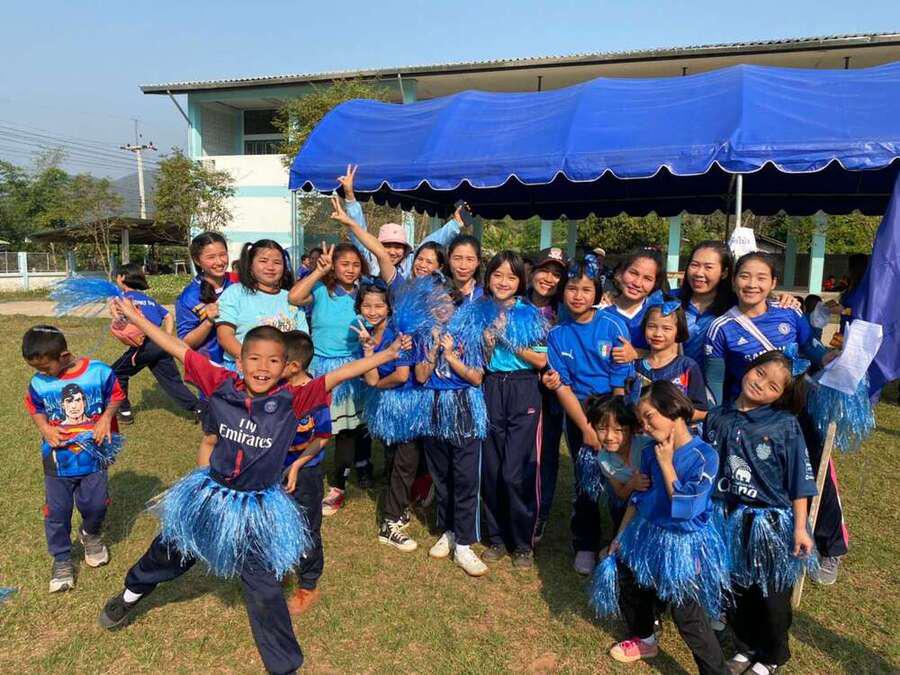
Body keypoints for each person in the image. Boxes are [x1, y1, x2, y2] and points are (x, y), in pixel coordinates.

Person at [98, 297, 408, 674]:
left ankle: (284, 665)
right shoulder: (220, 383)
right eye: (255, 359)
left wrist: (386, 353)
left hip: (257, 510)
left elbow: (340, 375)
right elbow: (178, 348)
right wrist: (137, 318)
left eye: (273, 361)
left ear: (286, 367)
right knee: (171, 548)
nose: (263, 368)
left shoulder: (294, 399)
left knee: (263, 588)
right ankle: (131, 593)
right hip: (209, 498)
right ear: (240, 361)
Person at [590, 381, 728, 674]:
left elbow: (686, 509)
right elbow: (639, 498)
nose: (645, 426)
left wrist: (666, 464)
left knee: (687, 615)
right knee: (632, 582)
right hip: (647, 533)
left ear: (674, 410)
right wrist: (620, 536)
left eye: (650, 417)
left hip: (682, 544)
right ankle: (645, 638)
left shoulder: (705, 456)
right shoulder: (651, 451)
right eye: (641, 420)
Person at [704, 351, 817, 675]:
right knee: (736, 587)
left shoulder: (785, 426)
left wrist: (800, 528)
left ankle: (772, 655)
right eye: (760, 373)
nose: (761, 384)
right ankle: (745, 646)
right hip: (728, 519)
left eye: (773, 386)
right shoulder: (718, 416)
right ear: (749, 367)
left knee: (772, 595)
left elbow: (799, 482)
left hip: (770, 524)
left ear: (780, 396)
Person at [546, 259, 632, 575]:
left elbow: (620, 380)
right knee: (586, 478)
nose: (578, 296)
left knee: (621, 475)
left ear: (597, 292)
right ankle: (585, 542)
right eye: (572, 288)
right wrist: (586, 427)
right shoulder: (557, 334)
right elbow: (563, 386)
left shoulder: (612, 325)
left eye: (586, 289)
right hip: (579, 412)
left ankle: (622, 540)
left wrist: (614, 425)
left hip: (615, 408)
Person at [23, 325, 125, 592]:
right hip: (57, 461)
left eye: (46, 367)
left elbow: (116, 395)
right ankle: (61, 559)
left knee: (96, 505)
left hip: (94, 457)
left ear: (64, 355)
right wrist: (45, 428)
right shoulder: (39, 383)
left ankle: (90, 534)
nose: (42, 373)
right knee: (57, 512)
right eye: (37, 368)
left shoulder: (98, 372)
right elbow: (35, 407)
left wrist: (106, 418)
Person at [289, 239, 371, 514]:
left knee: (347, 431)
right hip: (320, 369)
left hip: (350, 371)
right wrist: (318, 272)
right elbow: (294, 298)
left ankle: (338, 487)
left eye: (355, 264)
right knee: (313, 427)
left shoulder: (363, 294)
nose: (350, 269)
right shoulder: (321, 290)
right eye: (344, 264)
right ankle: (296, 472)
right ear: (333, 266)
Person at [415, 278, 490, 577]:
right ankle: (448, 530)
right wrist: (434, 350)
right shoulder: (425, 335)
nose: (441, 307)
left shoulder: (470, 333)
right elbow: (421, 376)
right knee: (442, 474)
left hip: (464, 405)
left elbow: (476, 378)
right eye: (435, 302)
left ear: (457, 305)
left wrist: (451, 356)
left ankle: (465, 543)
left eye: (446, 301)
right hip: (434, 405)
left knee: (465, 476)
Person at [479, 251, 548, 568]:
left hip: (523, 388)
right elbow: (478, 359)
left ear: (521, 281)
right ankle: (495, 537)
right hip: (491, 386)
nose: (503, 282)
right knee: (492, 469)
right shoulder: (480, 311)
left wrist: (507, 338)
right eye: (497, 275)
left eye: (511, 276)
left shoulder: (530, 313)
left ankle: (522, 543)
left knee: (515, 471)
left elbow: (541, 360)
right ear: (488, 278)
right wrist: (486, 341)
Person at [353, 279, 427, 552]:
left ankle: (394, 513)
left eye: (379, 306)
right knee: (397, 460)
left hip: (407, 406)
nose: (372, 311)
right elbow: (371, 376)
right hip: (386, 407)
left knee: (405, 462)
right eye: (366, 306)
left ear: (389, 307)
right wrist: (367, 350)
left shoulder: (400, 333)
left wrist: (376, 386)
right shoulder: (367, 335)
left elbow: (401, 375)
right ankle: (391, 521)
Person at [704, 251, 833, 406]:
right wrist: (715, 415)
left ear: (773, 283)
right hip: (747, 412)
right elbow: (715, 381)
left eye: (761, 278)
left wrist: (826, 357)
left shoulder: (789, 312)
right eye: (744, 276)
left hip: (791, 408)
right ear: (733, 280)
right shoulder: (720, 328)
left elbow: (808, 345)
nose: (752, 284)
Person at [337, 164, 465, 284]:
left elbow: (428, 245)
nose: (393, 252)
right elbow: (359, 235)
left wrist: (455, 224)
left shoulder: (409, 265)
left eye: (398, 247)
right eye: (387, 246)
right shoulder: (370, 260)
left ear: (405, 250)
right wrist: (350, 196)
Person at [280, 330, 333, 616]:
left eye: (276, 360)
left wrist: (297, 465)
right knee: (276, 521)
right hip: (274, 470)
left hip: (306, 473)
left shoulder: (315, 394)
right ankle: (281, 567)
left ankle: (308, 583)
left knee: (307, 527)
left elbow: (322, 437)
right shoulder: (276, 389)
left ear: (293, 366)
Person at [109, 262, 200, 424]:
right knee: (172, 382)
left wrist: (114, 313)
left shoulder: (123, 299)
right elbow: (168, 316)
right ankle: (199, 408)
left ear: (122, 278)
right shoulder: (149, 299)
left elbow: (120, 322)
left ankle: (124, 411)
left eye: (117, 276)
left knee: (115, 373)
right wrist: (166, 338)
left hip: (146, 345)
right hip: (161, 344)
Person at [525, 247, 568, 541]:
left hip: (550, 395)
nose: (549, 279)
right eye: (545, 271)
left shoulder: (566, 310)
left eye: (557, 274)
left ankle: (539, 514)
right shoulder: (515, 303)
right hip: (515, 390)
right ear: (533, 272)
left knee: (546, 456)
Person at [216, 239, 308, 372]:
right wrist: (251, 362)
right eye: (263, 261)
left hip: (283, 373)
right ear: (250, 265)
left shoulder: (291, 298)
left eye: (277, 262)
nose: (270, 267)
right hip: (244, 370)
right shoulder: (234, 293)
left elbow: (301, 341)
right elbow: (225, 336)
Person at [633, 294, 708, 419]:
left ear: (678, 331)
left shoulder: (687, 366)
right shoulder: (635, 366)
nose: (658, 334)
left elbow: (702, 411)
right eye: (652, 326)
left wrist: (671, 417)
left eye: (666, 328)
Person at [582, 394, 650, 531]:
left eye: (618, 430)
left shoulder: (646, 446)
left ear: (632, 429)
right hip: (626, 505)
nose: (609, 437)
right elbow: (620, 494)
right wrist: (632, 484)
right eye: (601, 429)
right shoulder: (604, 459)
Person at [175, 231, 234, 365]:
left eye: (223, 255)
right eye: (211, 257)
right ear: (197, 260)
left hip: (241, 363)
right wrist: (209, 322)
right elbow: (185, 342)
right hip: (210, 366)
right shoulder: (188, 297)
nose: (219, 262)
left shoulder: (236, 285)